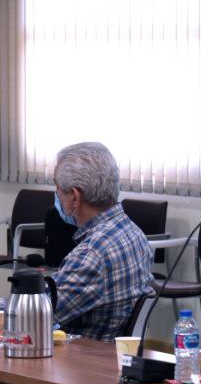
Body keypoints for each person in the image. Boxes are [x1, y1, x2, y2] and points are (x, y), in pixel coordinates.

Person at [50, 142, 154, 341]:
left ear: (75, 197)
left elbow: (33, 313)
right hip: (116, 353)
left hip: (80, 357)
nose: (56, 195)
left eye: (58, 189)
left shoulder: (92, 254)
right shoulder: (133, 233)